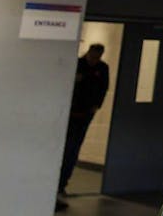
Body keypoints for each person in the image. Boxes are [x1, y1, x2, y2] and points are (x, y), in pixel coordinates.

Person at [56, 43, 110, 211]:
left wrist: (96, 105)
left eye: (98, 57)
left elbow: (103, 88)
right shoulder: (77, 64)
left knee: (72, 149)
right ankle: (56, 185)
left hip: (85, 114)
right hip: (69, 113)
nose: (95, 60)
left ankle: (62, 184)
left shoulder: (102, 68)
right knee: (63, 148)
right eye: (93, 56)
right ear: (88, 53)